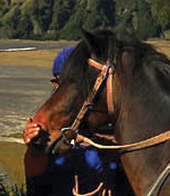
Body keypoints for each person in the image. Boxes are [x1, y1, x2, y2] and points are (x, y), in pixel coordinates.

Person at [23, 47, 130, 196]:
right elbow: (35, 178)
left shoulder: (109, 119)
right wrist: (34, 148)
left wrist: (112, 151)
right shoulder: (48, 124)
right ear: (56, 84)